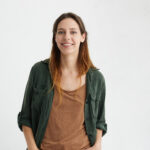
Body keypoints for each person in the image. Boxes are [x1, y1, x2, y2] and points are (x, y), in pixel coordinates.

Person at [17, 12, 107, 150]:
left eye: (73, 32)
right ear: (55, 37)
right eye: (61, 32)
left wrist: (97, 145)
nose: (67, 37)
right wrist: (33, 148)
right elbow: (25, 117)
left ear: (83, 37)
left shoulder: (96, 79)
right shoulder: (39, 71)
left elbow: (100, 121)